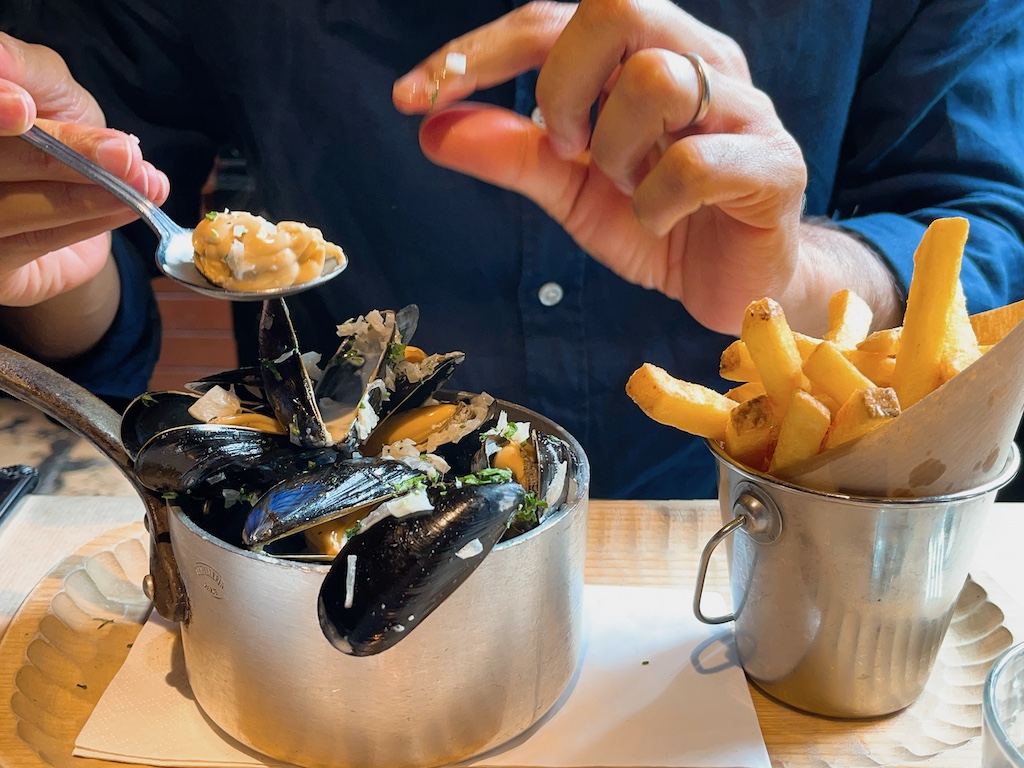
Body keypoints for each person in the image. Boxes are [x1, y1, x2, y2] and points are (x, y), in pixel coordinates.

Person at [0, 0, 1023, 500]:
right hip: (339, 532)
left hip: (777, 533)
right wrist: (53, 239)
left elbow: (985, 227)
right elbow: (106, 285)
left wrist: (794, 276)